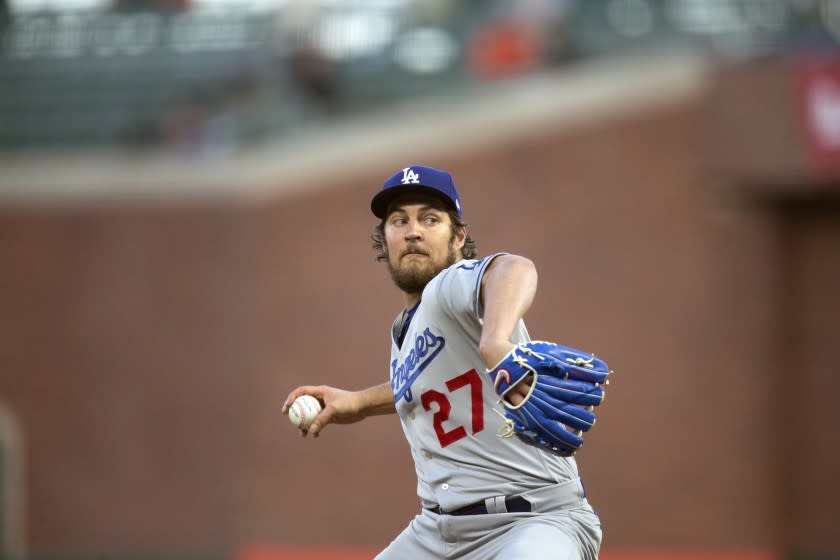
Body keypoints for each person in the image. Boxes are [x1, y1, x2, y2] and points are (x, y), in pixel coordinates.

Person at [282, 165, 603, 559]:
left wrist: (496, 340)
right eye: (399, 221)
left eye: (430, 219)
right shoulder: (404, 329)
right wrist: (359, 402)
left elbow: (513, 267)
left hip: (533, 523)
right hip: (437, 532)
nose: (412, 230)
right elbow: (429, 386)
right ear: (384, 240)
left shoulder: (450, 288)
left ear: (459, 237)